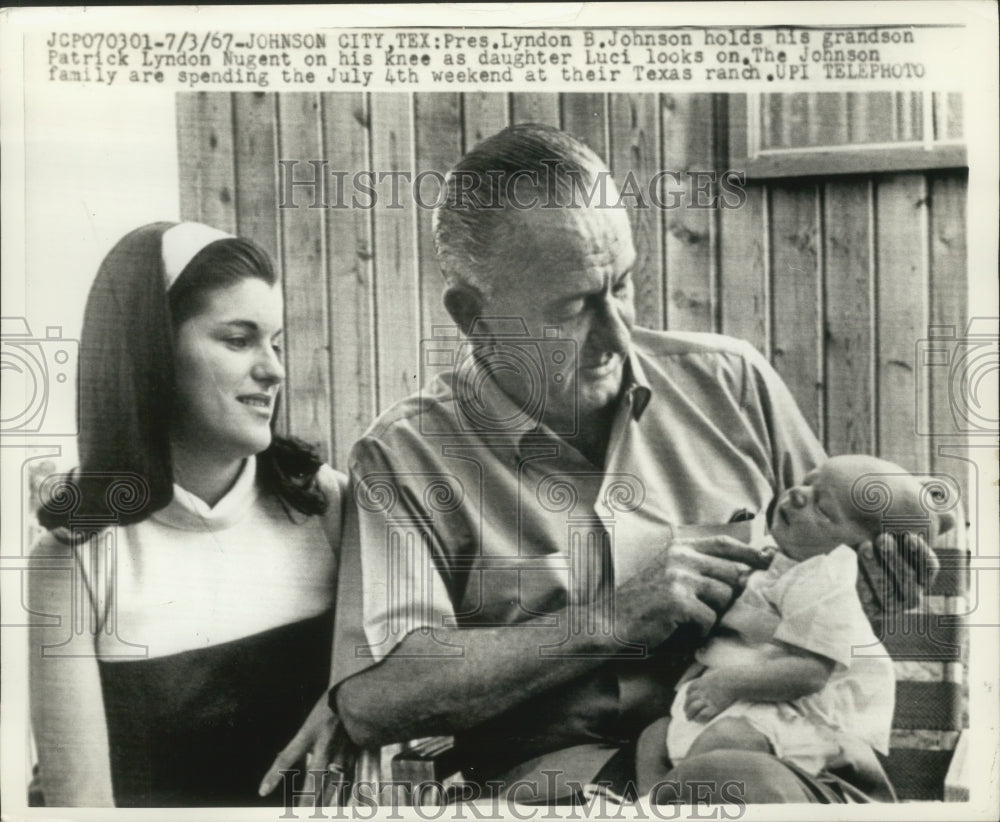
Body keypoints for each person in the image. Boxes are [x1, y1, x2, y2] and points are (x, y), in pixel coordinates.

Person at [326, 124, 939, 804]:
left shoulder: (731, 383)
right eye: (574, 307)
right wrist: (610, 618)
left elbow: (837, 577)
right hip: (565, 790)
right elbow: (376, 699)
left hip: (783, 760)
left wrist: (879, 588)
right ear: (474, 316)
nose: (618, 335)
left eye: (623, 285)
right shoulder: (406, 457)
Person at [27, 222, 345, 807]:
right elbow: (81, 805)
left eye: (276, 342)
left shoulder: (327, 507)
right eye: (238, 339)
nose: (273, 369)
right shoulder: (74, 561)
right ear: (148, 352)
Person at [636, 454, 954, 796]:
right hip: (740, 701)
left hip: (792, 714)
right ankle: (651, 802)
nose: (798, 494)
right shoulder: (776, 557)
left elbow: (810, 673)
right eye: (807, 481)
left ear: (860, 554)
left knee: (723, 747)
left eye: (823, 509)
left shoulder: (828, 580)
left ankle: (671, 799)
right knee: (653, 736)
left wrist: (726, 684)